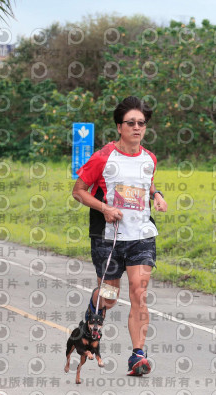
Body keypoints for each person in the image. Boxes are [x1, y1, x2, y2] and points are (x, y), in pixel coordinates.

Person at [72, 96, 167, 376]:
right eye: (131, 123)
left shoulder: (150, 159)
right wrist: (105, 208)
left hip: (141, 236)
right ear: (119, 126)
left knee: (139, 292)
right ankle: (94, 311)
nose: (137, 128)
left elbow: (146, 184)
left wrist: (157, 195)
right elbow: (78, 191)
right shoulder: (103, 158)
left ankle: (137, 356)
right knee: (110, 298)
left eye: (141, 123)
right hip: (109, 239)